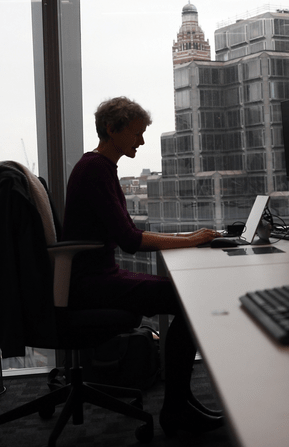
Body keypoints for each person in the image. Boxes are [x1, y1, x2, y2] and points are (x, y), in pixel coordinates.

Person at [62, 96, 223, 437]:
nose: (142, 141)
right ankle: (177, 409)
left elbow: (127, 231)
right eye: (136, 133)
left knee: (180, 295)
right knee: (186, 299)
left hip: (96, 276)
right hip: (93, 282)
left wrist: (186, 236)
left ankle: (181, 403)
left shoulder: (98, 168)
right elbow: (130, 241)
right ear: (112, 129)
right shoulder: (96, 170)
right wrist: (191, 240)